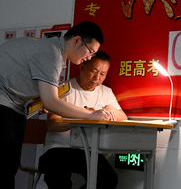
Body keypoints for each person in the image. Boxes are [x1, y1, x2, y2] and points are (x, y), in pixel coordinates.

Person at [0, 21, 113, 188]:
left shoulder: (54, 52)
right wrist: (90, 115)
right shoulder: (51, 53)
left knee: (8, 168)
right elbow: (51, 102)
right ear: (76, 41)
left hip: (13, 108)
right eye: (90, 51)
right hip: (4, 107)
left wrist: (39, 102)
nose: (89, 57)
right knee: (3, 169)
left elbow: (41, 95)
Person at [39, 50, 127, 189]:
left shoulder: (106, 92)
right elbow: (52, 125)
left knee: (108, 179)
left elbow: (123, 117)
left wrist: (111, 109)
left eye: (102, 74)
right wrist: (86, 117)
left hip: (88, 151)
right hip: (59, 149)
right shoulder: (64, 89)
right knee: (58, 178)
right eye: (94, 71)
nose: (97, 78)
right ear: (82, 68)